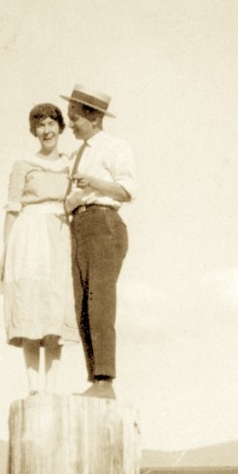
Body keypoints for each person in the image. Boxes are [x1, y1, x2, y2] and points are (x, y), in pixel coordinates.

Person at [62, 84, 137, 398]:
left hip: (104, 224)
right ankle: (95, 380)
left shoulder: (115, 146)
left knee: (100, 303)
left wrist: (93, 183)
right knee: (82, 305)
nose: (71, 124)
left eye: (75, 117)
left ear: (92, 116)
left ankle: (105, 380)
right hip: (79, 226)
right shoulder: (76, 154)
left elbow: (127, 191)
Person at [0, 103, 78, 395]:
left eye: (51, 124)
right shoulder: (23, 165)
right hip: (28, 236)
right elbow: (12, 209)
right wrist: (5, 252)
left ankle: (52, 388)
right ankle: (33, 387)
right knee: (29, 307)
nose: (47, 130)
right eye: (40, 125)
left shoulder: (71, 165)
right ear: (34, 131)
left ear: (60, 127)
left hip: (59, 234)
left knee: (55, 311)